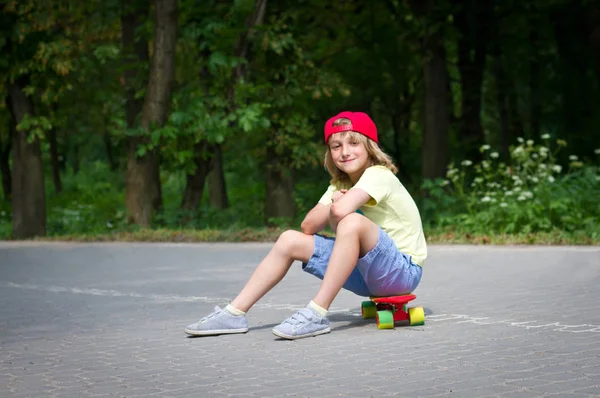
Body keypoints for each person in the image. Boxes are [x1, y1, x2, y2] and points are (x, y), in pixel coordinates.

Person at [184, 111, 427, 340]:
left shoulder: (378, 174)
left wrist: (338, 205)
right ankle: (234, 314)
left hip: (401, 271)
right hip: (366, 274)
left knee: (351, 221)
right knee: (289, 239)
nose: (344, 152)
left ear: (370, 147)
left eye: (353, 143)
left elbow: (342, 213)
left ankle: (317, 313)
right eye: (336, 146)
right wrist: (335, 199)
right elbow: (308, 226)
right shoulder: (339, 183)